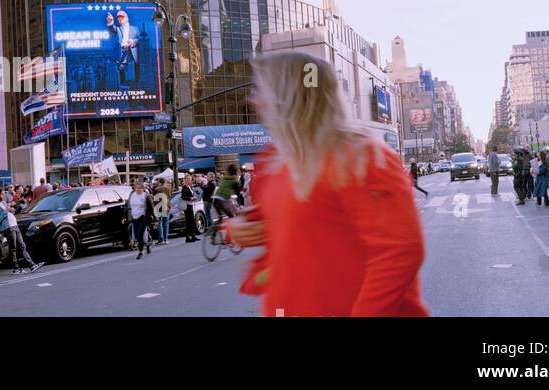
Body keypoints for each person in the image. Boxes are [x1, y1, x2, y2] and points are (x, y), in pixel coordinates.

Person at [227, 50, 428, 316]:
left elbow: (400, 253)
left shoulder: (361, 157)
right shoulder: (278, 159)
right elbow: (279, 218)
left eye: (263, 90)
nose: (253, 100)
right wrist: (239, 226)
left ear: (290, 98)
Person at [0, 188, 40, 274]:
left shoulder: (3, 203)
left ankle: (31, 265)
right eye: (2, 194)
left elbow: (9, 212)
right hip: (8, 227)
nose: (3, 196)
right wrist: (6, 211)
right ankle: (16, 268)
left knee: (22, 245)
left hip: (14, 225)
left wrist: (13, 210)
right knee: (13, 248)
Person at [127, 182, 155, 259]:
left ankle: (140, 251)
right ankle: (148, 243)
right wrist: (125, 217)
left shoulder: (146, 196)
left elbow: (151, 207)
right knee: (137, 235)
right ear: (135, 188)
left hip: (143, 217)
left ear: (143, 189)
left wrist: (154, 216)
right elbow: (128, 206)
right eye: (137, 188)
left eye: (140, 188)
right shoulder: (132, 195)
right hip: (134, 217)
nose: (138, 190)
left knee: (140, 233)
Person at [152, 178, 171, 245]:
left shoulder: (156, 189)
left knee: (159, 223)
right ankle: (166, 239)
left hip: (159, 206)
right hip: (166, 206)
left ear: (159, 182)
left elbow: (154, 198)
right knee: (166, 223)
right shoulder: (168, 189)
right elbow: (169, 197)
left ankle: (161, 239)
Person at [181, 174, 199, 243]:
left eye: (190, 178)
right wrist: (190, 198)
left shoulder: (190, 186)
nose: (189, 180)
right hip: (187, 206)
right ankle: (188, 237)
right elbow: (183, 196)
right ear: (185, 179)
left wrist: (193, 198)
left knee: (191, 221)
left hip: (190, 205)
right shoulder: (184, 187)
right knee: (189, 222)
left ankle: (192, 236)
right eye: (187, 178)